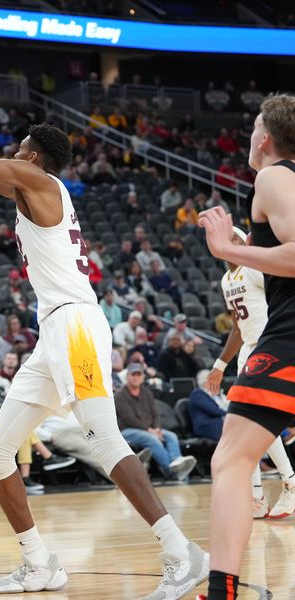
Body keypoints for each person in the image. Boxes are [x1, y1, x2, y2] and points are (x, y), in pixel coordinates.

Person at [0, 56, 207, 598]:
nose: (12, 157)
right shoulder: (34, 187)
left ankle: (183, 553)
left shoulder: (37, 180)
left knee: (105, 440)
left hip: (76, 328)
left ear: (33, 157)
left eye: (19, 152)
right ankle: (39, 564)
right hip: (55, 332)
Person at [197, 98, 295, 600]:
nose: (251, 133)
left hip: (288, 335)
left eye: (255, 124)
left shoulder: (275, 177)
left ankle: (222, 592)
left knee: (231, 461)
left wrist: (226, 249)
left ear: (265, 138)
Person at [203, 226, 295, 521]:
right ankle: (256, 496)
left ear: (246, 242)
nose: (228, 242)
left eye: (235, 238)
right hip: (249, 348)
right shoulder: (226, 279)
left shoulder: (255, 267)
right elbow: (237, 326)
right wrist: (219, 365)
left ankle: (289, 482)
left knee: (255, 420)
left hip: (271, 346)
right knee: (243, 420)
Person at [114, 364, 196, 480]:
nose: (136, 377)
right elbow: (128, 418)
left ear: (143, 377)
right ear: (127, 376)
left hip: (150, 429)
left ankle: (177, 462)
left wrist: (157, 428)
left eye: (138, 374)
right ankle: (170, 471)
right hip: (128, 431)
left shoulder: (147, 393)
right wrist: (150, 430)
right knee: (151, 439)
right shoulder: (119, 395)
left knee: (171, 436)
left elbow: (155, 414)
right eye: (133, 374)